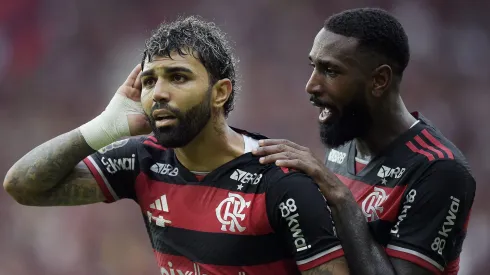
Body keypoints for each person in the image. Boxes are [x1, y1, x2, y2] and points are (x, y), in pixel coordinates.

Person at [3, 16, 349, 275]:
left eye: (178, 77)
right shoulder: (144, 159)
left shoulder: (280, 181)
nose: (159, 92)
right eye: (150, 81)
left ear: (220, 93)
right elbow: (23, 186)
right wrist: (103, 128)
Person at [253, 8, 475, 275]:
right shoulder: (343, 142)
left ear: (379, 80)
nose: (311, 86)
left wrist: (340, 198)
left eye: (331, 71)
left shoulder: (438, 170)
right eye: (314, 66)